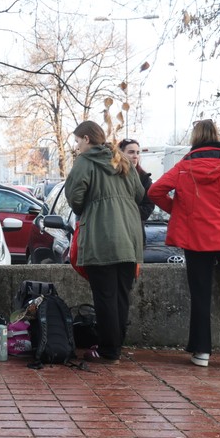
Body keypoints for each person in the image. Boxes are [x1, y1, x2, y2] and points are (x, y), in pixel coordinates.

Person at [148, 119, 220, 371]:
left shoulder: (184, 165)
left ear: (195, 137)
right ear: (217, 135)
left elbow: (155, 191)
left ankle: (201, 352)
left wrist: (179, 210)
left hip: (196, 239)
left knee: (200, 296)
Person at [64, 121, 144, 365]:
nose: (77, 146)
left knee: (105, 296)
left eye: (78, 141)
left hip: (101, 236)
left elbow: (74, 197)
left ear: (87, 139)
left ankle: (109, 350)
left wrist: (91, 206)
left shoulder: (85, 162)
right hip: (129, 236)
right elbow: (140, 194)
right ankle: (115, 346)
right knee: (121, 296)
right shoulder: (122, 160)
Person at [118, 138, 155, 244]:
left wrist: (125, 211)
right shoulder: (111, 176)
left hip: (135, 234)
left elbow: (148, 208)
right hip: (114, 233)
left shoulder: (144, 178)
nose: (135, 156)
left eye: (138, 153)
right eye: (131, 152)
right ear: (120, 154)